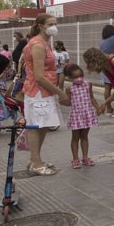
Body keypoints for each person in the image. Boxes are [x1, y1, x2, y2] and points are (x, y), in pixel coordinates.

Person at [22, 13, 70, 176]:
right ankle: (36, 162)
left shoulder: (44, 43)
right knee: (36, 127)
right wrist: (60, 92)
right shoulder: (38, 45)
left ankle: (35, 159)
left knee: (42, 126)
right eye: (50, 24)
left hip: (44, 92)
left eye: (55, 23)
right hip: (38, 92)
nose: (54, 27)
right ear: (41, 26)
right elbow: (39, 76)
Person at [63, 64, 100, 169]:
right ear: (70, 78)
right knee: (75, 138)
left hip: (87, 114)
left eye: (81, 75)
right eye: (75, 77)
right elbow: (69, 102)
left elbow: (92, 98)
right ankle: (75, 159)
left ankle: (85, 157)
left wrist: (98, 108)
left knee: (84, 137)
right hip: (76, 115)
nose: (79, 78)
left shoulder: (88, 84)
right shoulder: (69, 88)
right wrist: (62, 101)